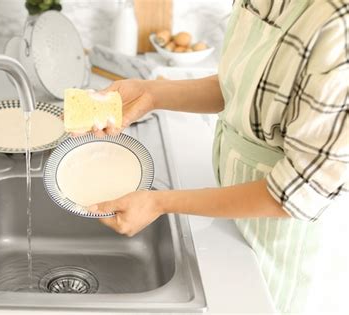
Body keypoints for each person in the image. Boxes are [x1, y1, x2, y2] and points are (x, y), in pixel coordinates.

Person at [84, 0, 349, 313]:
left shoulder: (338, 27)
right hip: (230, 207)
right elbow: (239, 89)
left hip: (282, 237)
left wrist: (159, 202)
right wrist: (149, 93)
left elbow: (295, 193)